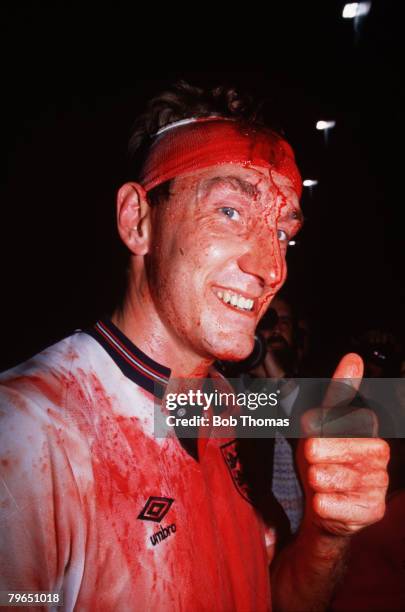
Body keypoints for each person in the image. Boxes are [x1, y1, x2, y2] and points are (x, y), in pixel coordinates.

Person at [0, 82, 389, 611]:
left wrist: (328, 532)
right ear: (138, 220)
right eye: (230, 212)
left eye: (281, 232)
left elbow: (268, 597)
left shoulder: (224, 403)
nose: (272, 269)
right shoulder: (28, 430)